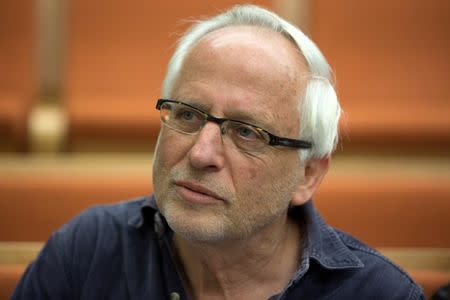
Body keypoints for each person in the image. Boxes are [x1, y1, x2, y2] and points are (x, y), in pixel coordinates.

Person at [12, 4, 424, 300]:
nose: (201, 154)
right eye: (188, 114)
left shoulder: (378, 292)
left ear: (307, 175)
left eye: (247, 132)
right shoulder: (87, 252)